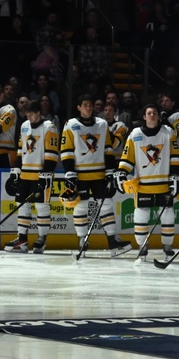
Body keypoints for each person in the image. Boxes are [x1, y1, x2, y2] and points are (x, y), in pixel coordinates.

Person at [60, 93, 132, 257]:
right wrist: (69, 172)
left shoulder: (102, 124)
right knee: (81, 206)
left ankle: (112, 240)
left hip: (100, 174)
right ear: (78, 107)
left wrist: (110, 171)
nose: (88, 107)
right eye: (84, 104)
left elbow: (108, 149)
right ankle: (82, 240)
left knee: (106, 205)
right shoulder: (71, 125)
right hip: (80, 175)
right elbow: (66, 150)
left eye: (90, 104)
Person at [116, 104, 179, 260]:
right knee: (140, 216)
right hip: (143, 186)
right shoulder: (135, 134)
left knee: (167, 216)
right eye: (149, 113)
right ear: (144, 117)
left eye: (154, 113)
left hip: (163, 185)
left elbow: (174, 158)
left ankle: (167, 246)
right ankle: (142, 246)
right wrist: (121, 172)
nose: (152, 115)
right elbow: (127, 158)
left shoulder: (168, 132)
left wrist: (175, 176)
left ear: (158, 116)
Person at [3, 100, 59, 255]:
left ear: (39, 112)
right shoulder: (24, 126)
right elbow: (21, 150)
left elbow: (52, 153)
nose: (30, 117)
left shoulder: (49, 127)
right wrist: (16, 170)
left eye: (32, 114)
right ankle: (22, 239)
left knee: (42, 206)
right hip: (26, 174)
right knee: (22, 205)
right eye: (28, 114)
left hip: (41, 174)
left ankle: (42, 238)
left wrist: (47, 173)